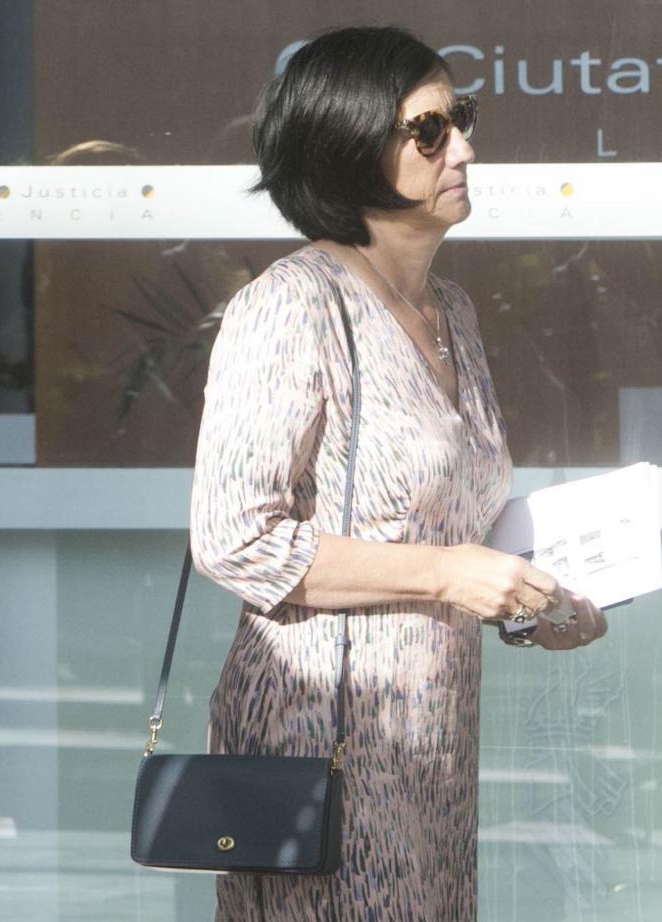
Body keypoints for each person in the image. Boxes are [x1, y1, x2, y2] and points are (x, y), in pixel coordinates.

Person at [188, 27, 608, 920]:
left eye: (462, 118)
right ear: (347, 148)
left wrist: (534, 602)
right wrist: (449, 575)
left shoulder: (451, 309)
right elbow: (232, 538)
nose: (464, 148)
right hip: (321, 734)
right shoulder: (293, 303)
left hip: (431, 740)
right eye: (429, 130)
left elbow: (445, 526)